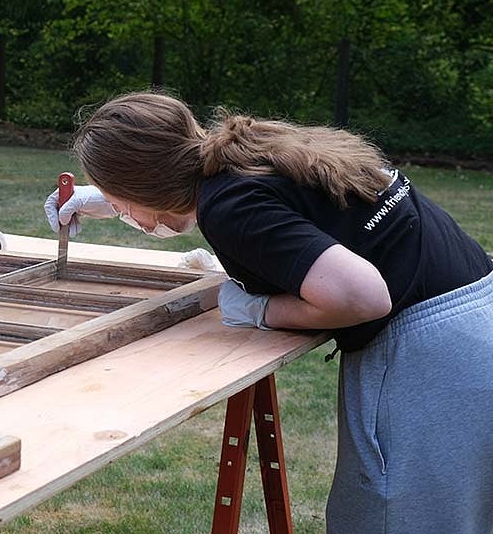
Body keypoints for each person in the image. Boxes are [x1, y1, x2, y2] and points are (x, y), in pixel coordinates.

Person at [44, 91, 493, 533]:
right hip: (476, 315)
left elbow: (364, 296)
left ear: (143, 183)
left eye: (119, 198)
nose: (122, 211)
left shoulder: (229, 206)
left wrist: (262, 310)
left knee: (393, 521)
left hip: (433, 356)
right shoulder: (246, 152)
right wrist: (105, 200)